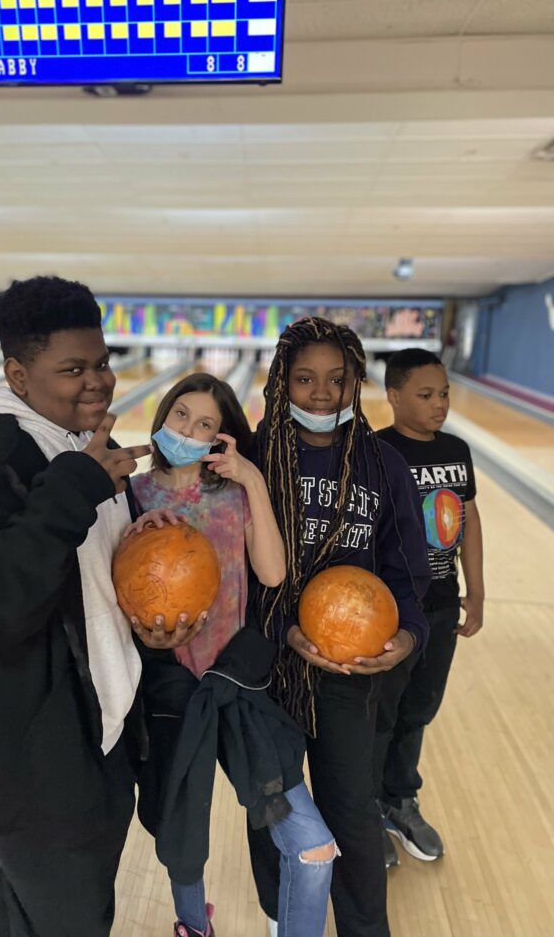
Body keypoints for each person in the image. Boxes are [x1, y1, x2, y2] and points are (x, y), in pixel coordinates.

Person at [0, 275, 200, 937]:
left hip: (91, 738)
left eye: (101, 362)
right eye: (71, 369)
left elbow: (85, 592)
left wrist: (149, 612)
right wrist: (76, 487)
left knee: (28, 917)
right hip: (35, 759)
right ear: (19, 374)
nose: (97, 381)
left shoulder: (77, 446)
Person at [130, 372, 336, 937]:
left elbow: (271, 572)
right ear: (162, 416)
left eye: (206, 424)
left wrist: (252, 480)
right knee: (183, 845)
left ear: (221, 438)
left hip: (238, 685)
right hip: (171, 688)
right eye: (180, 415)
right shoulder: (132, 496)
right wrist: (134, 536)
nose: (189, 429)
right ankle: (194, 927)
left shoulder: (235, 495)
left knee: (313, 847)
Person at [245, 317, 431, 937]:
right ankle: (284, 919)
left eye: (337, 379)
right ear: (281, 382)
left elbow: (407, 572)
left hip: (348, 672)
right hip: (268, 670)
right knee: (272, 806)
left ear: (356, 381)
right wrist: (283, 632)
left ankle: (362, 929)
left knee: (352, 810)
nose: (321, 393)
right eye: (304, 380)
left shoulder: (385, 466)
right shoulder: (256, 456)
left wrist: (405, 635)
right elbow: (233, 572)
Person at [374, 348, 484, 866]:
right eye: (425, 395)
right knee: (381, 712)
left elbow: (468, 519)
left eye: (444, 394)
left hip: (440, 603)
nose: (439, 404)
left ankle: (399, 798)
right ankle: (364, 805)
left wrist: (476, 589)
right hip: (391, 610)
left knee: (419, 708)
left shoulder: (457, 451)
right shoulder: (375, 452)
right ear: (394, 396)